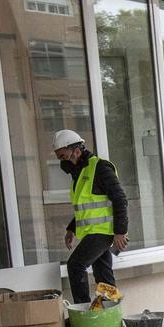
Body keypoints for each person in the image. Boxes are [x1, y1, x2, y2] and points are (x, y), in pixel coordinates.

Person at [53, 130, 129, 303]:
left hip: (103, 231)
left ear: (77, 151)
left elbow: (120, 199)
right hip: (93, 231)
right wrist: (71, 229)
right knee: (103, 275)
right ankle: (111, 312)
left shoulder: (100, 168)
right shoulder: (79, 173)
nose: (62, 162)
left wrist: (120, 231)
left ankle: (84, 311)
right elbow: (85, 208)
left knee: (75, 265)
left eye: (63, 157)